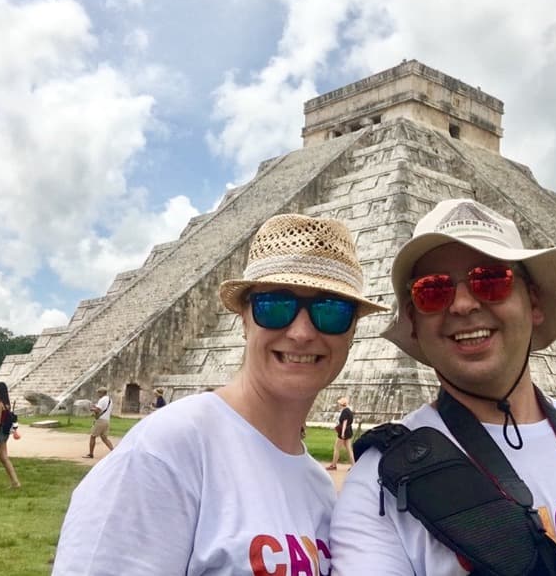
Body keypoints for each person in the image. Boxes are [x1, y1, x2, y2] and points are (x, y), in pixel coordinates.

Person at [331, 199, 556, 575]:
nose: (464, 304)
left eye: (490, 280)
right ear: (414, 321)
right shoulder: (382, 481)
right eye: (433, 290)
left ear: (533, 302)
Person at [53, 213, 386, 574]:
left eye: (331, 310)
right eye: (275, 306)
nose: (302, 332)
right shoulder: (168, 450)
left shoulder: (319, 487)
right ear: (244, 318)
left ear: (353, 330)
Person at [82, 386, 115, 459]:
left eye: (99, 392)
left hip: (100, 420)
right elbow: (102, 408)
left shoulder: (102, 400)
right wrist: (95, 406)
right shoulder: (110, 400)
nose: (98, 394)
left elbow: (98, 410)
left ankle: (91, 454)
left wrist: (91, 409)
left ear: (102, 393)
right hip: (107, 421)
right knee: (104, 438)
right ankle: (114, 451)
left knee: (93, 436)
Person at [327, 396, 355, 470]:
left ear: (341, 404)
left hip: (344, 431)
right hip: (349, 431)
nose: (338, 405)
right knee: (349, 449)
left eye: (339, 404)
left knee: (336, 448)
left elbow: (344, 423)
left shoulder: (345, 411)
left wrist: (342, 433)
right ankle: (354, 466)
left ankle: (333, 465)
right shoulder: (349, 410)